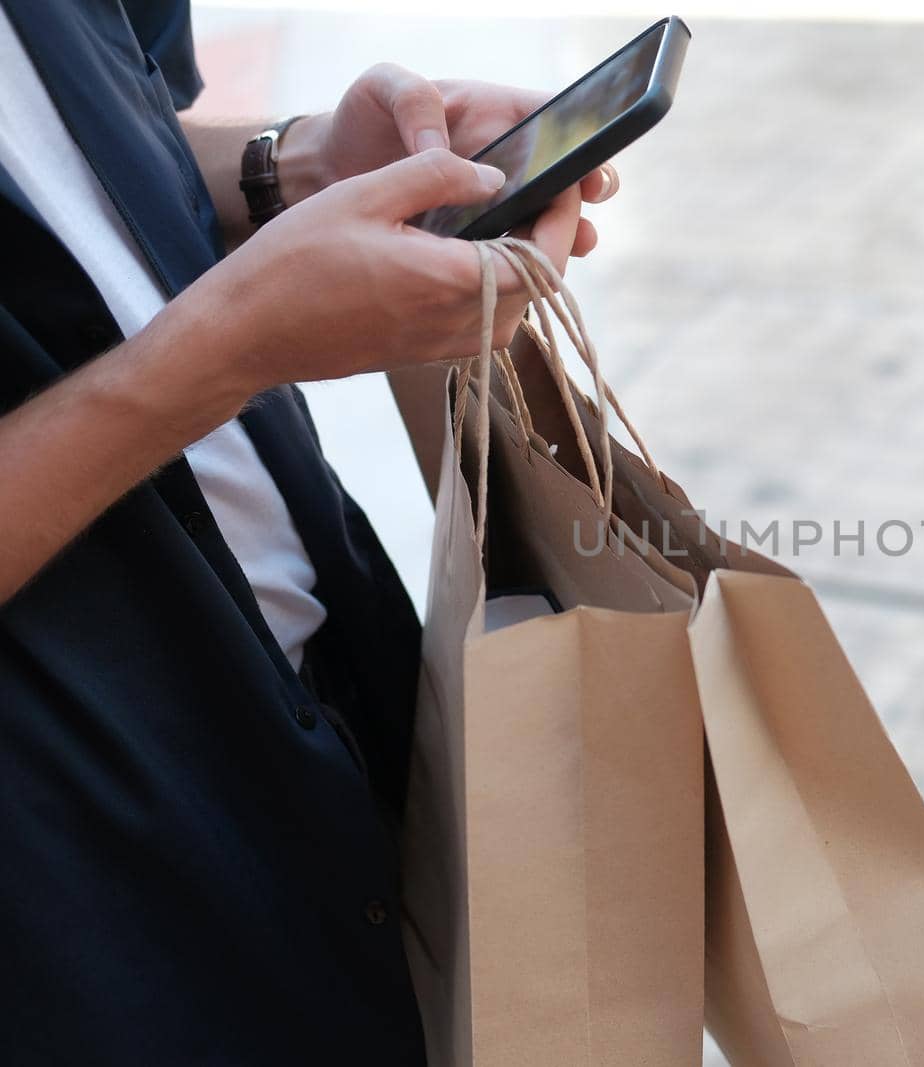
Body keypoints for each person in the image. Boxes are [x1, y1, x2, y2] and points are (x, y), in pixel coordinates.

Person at [0, 2, 616, 1062]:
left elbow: (82, 145)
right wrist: (225, 349)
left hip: (323, 720)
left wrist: (296, 169)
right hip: (73, 896)